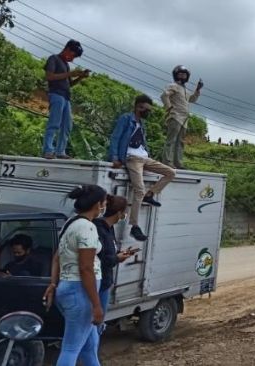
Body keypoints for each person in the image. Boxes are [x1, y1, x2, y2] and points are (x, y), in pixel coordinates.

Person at [43, 185, 106, 366]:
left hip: (67, 288)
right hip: (80, 293)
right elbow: (86, 268)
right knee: (71, 348)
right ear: (97, 205)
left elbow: (56, 258)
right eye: (104, 203)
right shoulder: (87, 228)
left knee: (89, 345)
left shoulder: (71, 223)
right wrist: (96, 304)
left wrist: (54, 284)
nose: (104, 206)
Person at [108, 94, 176, 241]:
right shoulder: (126, 119)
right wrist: (114, 157)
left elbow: (141, 142)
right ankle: (134, 226)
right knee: (139, 190)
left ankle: (150, 195)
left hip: (144, 158)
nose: (148, 113)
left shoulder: (141, 124)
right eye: (146, 110)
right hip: (132, 159)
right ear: (138, 107)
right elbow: (115, 137)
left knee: (170, 173)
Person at [42, 39, 90, 159]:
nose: (72, 59)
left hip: (66, 97)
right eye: (73, 56)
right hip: (56, 94)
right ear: (67, 49)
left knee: (67, 125)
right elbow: (50, 76)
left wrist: (80, 77)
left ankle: (60, 151)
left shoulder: (67, 65)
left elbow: (69, 84)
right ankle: (48, 150)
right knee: (54, 123)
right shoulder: (53, 59)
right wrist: (70, 74)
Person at [93, 195, 134, 316]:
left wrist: (120, 255)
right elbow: (100, 259)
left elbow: (110, 252)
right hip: (98, 283)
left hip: (105, 282)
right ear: (119, 213)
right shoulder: (99, 229)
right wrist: (117, 258)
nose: (125, 216)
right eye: (124, 213)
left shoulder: (109, 228)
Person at [160, 65, 204, 169]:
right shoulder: (173, 85)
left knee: (180, 142)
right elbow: (164, 95)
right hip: (175, 116)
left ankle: (178, 163)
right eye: (180, 74)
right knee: (171, 140)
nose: (183, 76)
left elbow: (192, 99)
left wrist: (197, 89)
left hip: (184, 119)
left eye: (184, 74)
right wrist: (169, 107)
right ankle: (167, 162)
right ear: (176, 75)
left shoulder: (184, 90)